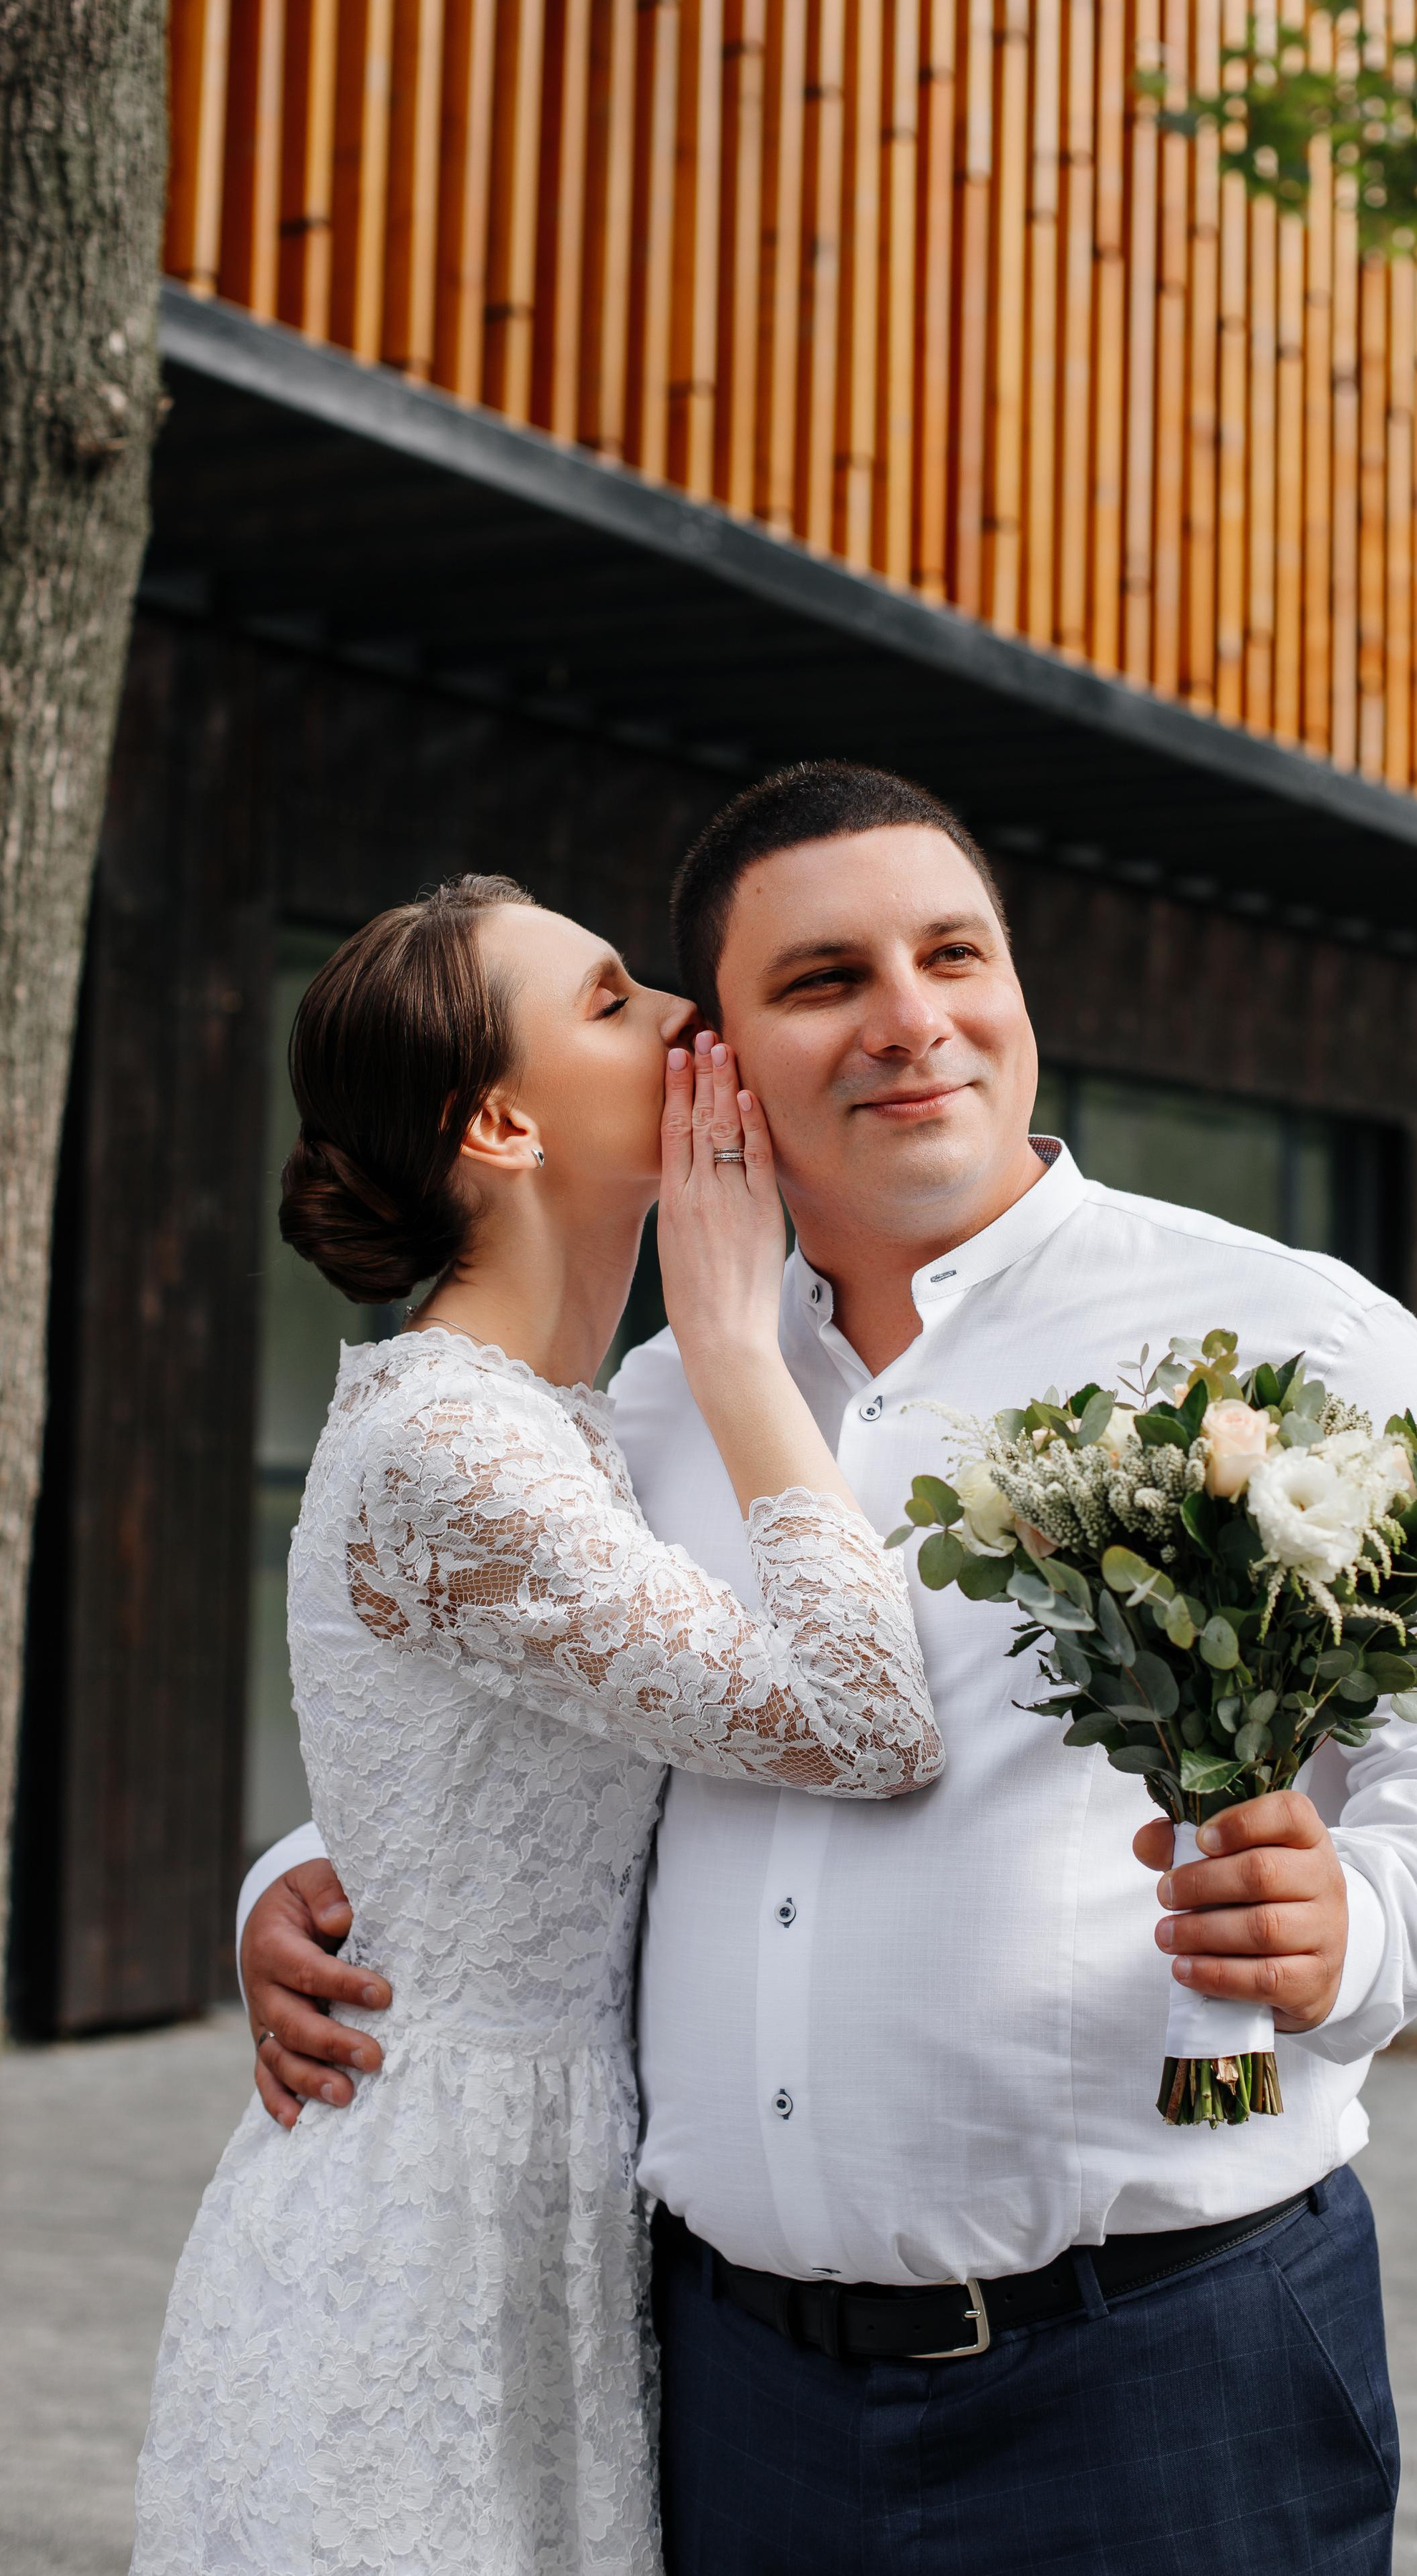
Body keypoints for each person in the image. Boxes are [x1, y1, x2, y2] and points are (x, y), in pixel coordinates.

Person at [241, 768, 1417, 2575]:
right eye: (821, 982)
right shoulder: (635, 1415)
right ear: (705, 1061)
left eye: (954, 953)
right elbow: (508, 1760)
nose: (911, 1020)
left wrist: (1359, 1925)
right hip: (727, 2400)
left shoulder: (1279, 1327)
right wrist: (305, 1892)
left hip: (1165, 2377)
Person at [131, 874, 942, 2576]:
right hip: (425, 2232)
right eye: (609, 1002)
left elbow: (452, 1782)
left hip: (563, 2202)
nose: (680, 1021)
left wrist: (294, 1869)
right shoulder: (455, 1444)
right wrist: (732, 1344)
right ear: (499, 1124)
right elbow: (864, 1721)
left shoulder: (558, 1424)